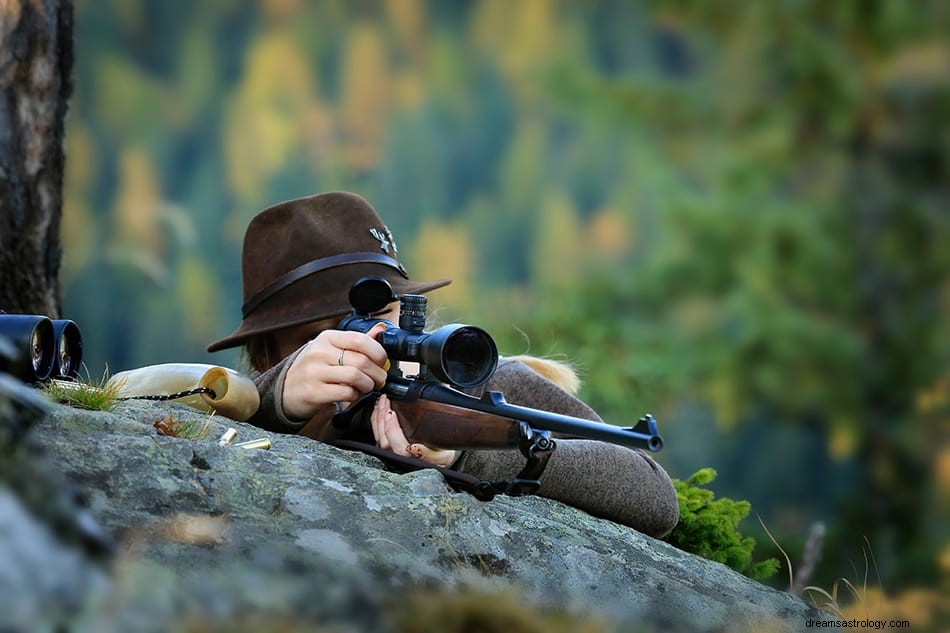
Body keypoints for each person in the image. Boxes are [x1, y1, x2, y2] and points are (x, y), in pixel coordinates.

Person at [207, 192, 679, 537]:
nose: (361, 347)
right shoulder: (248, 411)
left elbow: (654, 496)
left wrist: (466, 454)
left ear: (408, 314)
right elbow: (154, 407)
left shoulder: (491, 383)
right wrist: (276, 398)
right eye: (319, 338)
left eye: (379, 321)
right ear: (269, 356)